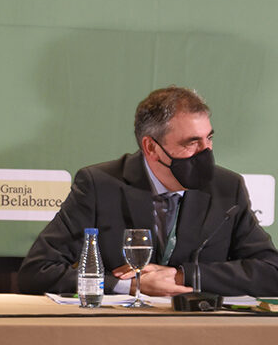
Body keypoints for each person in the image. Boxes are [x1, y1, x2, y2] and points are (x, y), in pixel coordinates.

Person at [19, 86, 278, 297]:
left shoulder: (226, 188)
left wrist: (183, 275)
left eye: (208, 139)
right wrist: (130, 285)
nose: (205, 152)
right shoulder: (99, 185)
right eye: (192, 143)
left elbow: (271, 271)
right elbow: (37, 272)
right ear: (151, 148)